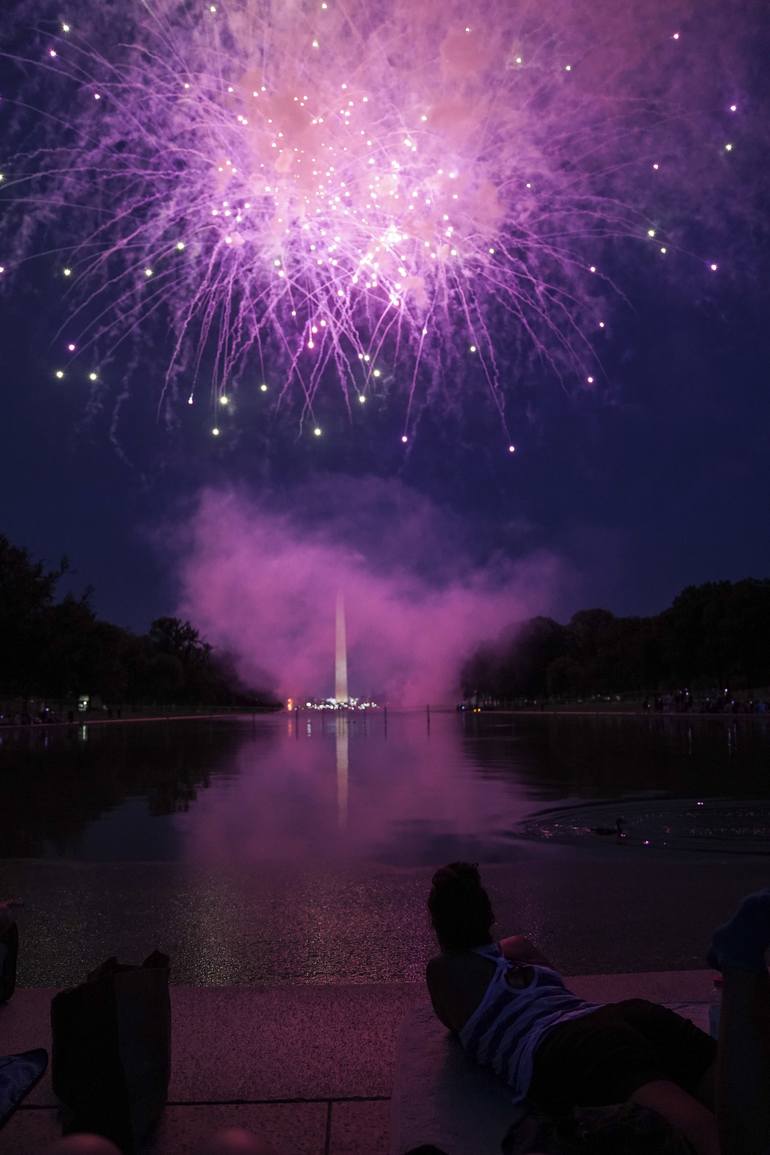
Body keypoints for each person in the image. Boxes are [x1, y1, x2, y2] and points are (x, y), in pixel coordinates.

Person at [426, 863, 719, 1155]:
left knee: (701, 1133)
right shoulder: (520, 948)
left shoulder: (443, 971)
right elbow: (558, 987)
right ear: (489, 916)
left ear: (437, 925)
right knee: (743, 1097)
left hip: (567, 1045)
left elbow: (451, 1021)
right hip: (620, 1015)